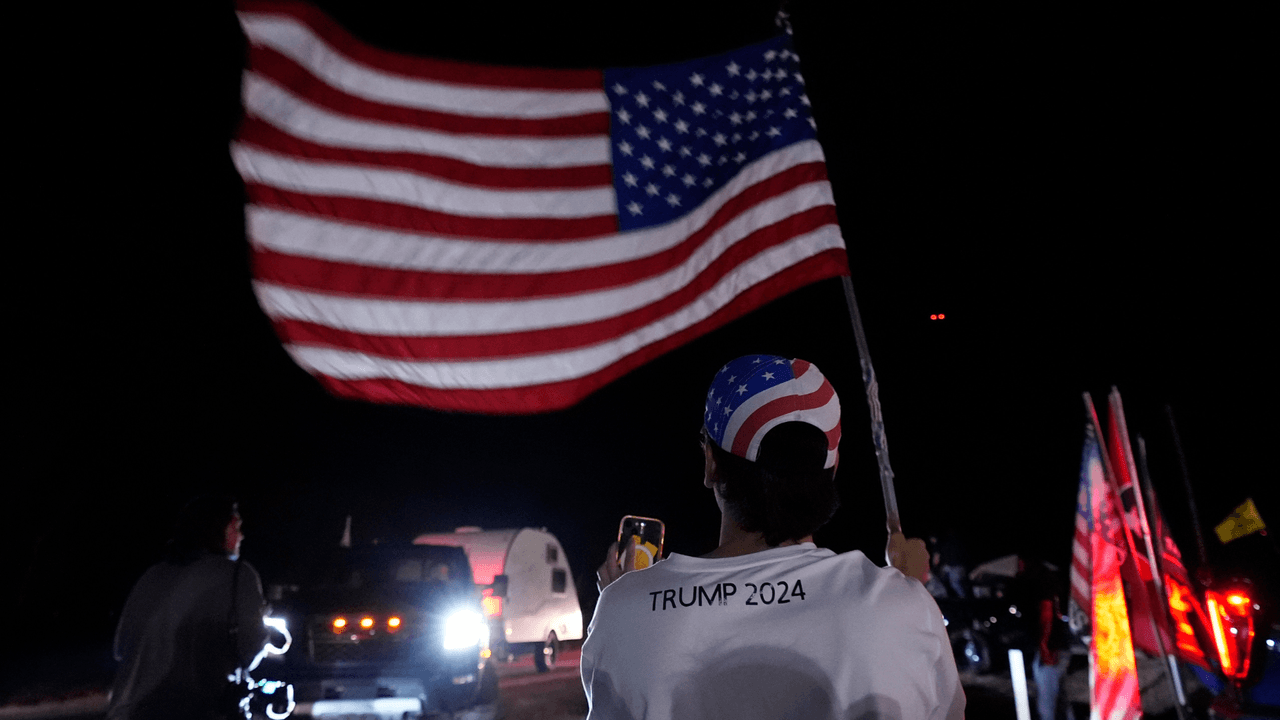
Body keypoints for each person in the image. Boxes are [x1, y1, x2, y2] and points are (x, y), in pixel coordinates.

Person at [583, 354, 965, 720]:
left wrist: (625, 604)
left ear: (711, 464)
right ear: (830, 470)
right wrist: (910, 589)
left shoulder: (623, 608)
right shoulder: (904, 608)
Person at [107, 495, 269, 720]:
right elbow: (249, 647)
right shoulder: (236, 575)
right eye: (236, 527)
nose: (241, 536)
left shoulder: (152, 576)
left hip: (131, 711)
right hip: (197, 710)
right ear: (218, 529)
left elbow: (121, 647)